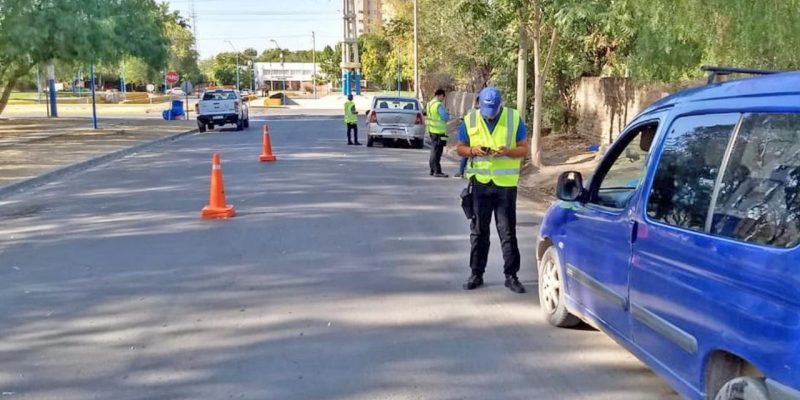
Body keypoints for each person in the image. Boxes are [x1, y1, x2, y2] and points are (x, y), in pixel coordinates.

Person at [456, 87, 528, 294]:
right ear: (480, 104)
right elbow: (459, 147)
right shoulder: (470, 119)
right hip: (480, 183)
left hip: (505, 186)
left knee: (507, 232)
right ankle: (476, 273)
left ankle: (511, 276)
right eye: (487, 110)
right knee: (479, 231)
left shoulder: (513, 118)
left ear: (499, 105)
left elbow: (524, 149)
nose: (490, 115)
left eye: (493, 111)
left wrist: (509, 152)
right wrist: (472, 151)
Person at [455, 96, 481, 178]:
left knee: (467, 155)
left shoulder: (471, 111)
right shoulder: (473, 113)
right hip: (474, 136)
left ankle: (462, 171)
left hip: (472, 136)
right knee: (468, 155)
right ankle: (463, 171)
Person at [427, 89, 450, 177]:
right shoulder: (438, 105)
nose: (443, 99)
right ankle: (437, 171)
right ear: (440, 95)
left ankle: (432, 169)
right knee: (437, 152)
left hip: (432, 130)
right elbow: (445, 117)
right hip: (439, 131)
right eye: (443, 97)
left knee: (433, 150)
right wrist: (447, 115)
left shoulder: (429, 104)